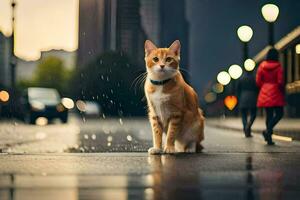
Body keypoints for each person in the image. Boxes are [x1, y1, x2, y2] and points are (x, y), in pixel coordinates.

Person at [256, 48, 285, 145]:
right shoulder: (278, 67)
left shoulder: (261, 66)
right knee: (279, 113)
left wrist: (265, 86)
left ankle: (269, 136)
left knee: (268, 115)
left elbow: (258, 81)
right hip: (275, 91)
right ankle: (268, 131)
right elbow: (280, 82)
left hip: (264, 91)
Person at [237, 70, 258, 137]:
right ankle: (249, 125)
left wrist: (239, 97)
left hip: (243, 98)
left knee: (243, 115)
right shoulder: (254, 77)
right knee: (253, 114)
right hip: (253, 97)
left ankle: (246, 127)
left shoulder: (241, 78)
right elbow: (257, 88)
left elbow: (237, 89)